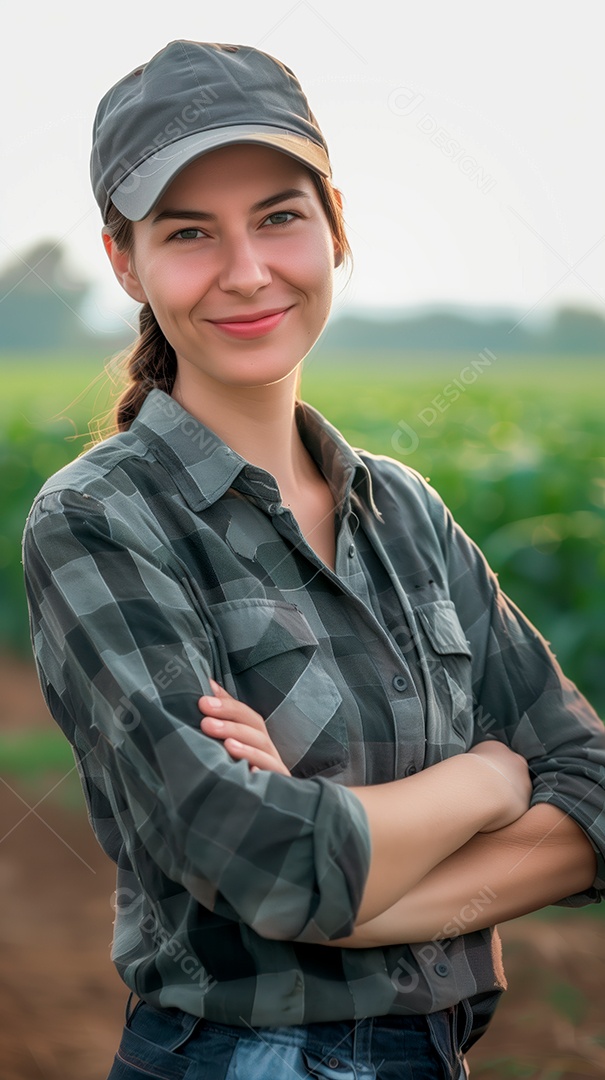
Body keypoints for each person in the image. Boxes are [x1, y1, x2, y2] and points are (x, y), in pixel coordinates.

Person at [22, 39, 605, 1080]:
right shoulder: (99, 520)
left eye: (279, 217)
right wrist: (487, 777)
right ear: (124, 261)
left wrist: (359, 899)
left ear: (335, 224)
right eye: (188, 232)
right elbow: (265, 863)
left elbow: (593, 787)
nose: (246, 272)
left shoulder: (405, 511)